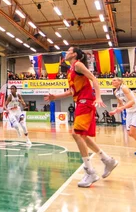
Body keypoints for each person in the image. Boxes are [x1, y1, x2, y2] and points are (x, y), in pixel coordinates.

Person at [45, 47, 118, 188]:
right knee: (83, 137)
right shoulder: (70, 70)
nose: (65, 53)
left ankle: (90, 171)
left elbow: (94, 78)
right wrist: (55, 97)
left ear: (74, 54)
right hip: (80, 102)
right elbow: (71, 91)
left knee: (76, 134)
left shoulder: (78, 64)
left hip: (86, 102)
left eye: (68, 51)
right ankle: (107, 160)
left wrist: (98, 97)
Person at [109, 78, 136, 156]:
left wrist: (123, 108)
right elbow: (120, 103)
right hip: (129, 112)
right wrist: (115, 111)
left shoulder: (124, 88)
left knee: (132, 132)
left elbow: (132, 101)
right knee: (130, 133)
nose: (113, 81)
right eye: (112, 80)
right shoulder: (116, 92)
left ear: (120, 81)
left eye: (115, 80)